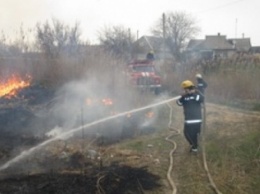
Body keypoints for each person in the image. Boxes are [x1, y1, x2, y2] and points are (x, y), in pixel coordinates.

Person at [176, 80, 204, 153]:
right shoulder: (185, 97)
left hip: (196, 119)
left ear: (189, 88)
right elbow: (178, 103)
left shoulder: (197, 95)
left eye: (185, 89)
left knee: (192, 134)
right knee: (187, 134)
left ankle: (194, 147)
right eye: (185, 90)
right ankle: (194, 146)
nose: (185, 90)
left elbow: (202, 99)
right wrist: (182, 96)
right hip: (188, 120)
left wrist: (193, 93)